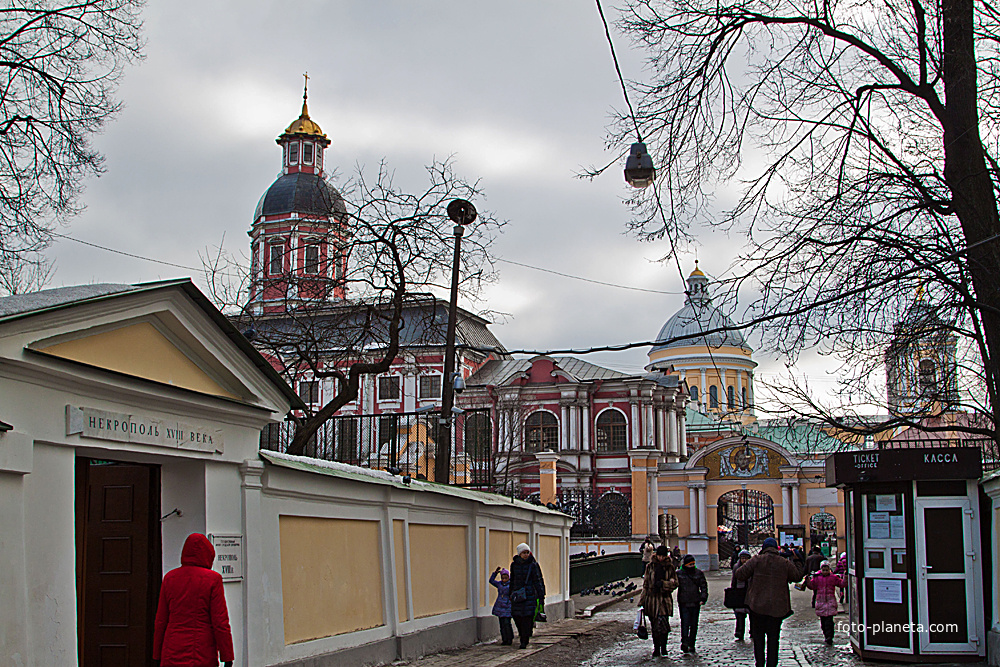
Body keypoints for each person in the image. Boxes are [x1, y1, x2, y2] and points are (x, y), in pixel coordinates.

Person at [153, 533, 234, 667]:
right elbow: (220, 622)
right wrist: (227, 656)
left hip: (172, 649)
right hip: (202, 651)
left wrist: (157, 654)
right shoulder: (212, 580)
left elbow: (161, 620)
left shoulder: (170, 578)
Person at [735, 536, 804, 667]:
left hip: (757, 607)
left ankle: (759, 664)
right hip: (777, 608)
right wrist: (797, 560)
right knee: (773, 639)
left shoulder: (756, 560)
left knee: (758, 638)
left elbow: (740, 574)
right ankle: (772, 664)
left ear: (764, 548)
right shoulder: (784, 562)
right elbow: (797, 576)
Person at [640, 545, 679, 658]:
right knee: (654, 626)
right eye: (659, 555)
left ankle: (664, 647)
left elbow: (675, 583)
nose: (661, 558)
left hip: (664, 600)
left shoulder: (670, 567)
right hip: (652, 599)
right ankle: (656, 648)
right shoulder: (650, 567)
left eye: (663, 556)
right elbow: (646, 585)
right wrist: (642, 601)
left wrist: (664, 584)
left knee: (663, 626)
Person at [509, 543, 545, 649]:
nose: (526, 555)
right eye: (523, 553)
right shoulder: (514, 565)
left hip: (530, 596)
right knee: (517, 616)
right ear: (519, 554)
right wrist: (510, 593)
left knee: (527, 617)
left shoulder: (533, 565)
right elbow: (512, 580)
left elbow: (538, 580)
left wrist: (541, 594)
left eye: (527, 552)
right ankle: (523, 634)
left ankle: (524, 640)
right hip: (517, 596)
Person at [806, 561, 844, 644]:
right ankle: (826, 635)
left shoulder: (833, 578)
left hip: (830, 601)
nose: (825, 571)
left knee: (829, 621)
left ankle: (830, 636)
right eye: (824, 570)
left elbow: (841, 584)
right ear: (821, 569)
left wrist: (846, 577)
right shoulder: (817, 578)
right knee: (823, 621)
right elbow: (812, 586)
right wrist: (807, 581)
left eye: (827, 570)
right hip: (821, 602)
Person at [676, 554, 708, 653]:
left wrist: (703, 598)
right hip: (684, 602)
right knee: (685, 623)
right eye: (690, 564)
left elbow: (703, 586)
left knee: (694, 624)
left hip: (695, 602)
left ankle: (692, 643)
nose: (692, 566)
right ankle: (685, 642)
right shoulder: (679, 574)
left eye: (693, 564)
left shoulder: (699, 573)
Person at [731, 549, 751, 641]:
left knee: (752, 614)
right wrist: (733, 591)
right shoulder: (736, 567)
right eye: (743, 558)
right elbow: (734, 580)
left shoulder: (752, 567)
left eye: (746, 558)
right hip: (740, 592)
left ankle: (753, 631)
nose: (744, 560)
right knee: (740, 614)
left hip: (750, 591)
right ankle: (739, 632)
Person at [489, 567, 513, 645]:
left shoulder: (511, 585)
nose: (504, 579)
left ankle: (509, 638)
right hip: (500, 606)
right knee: (502, 624)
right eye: (503, 578)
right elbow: (491, 581)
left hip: (508, 605)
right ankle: (504, 639)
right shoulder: (499, 584)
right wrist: (495, 573)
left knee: (507, 623)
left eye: (506, 578)